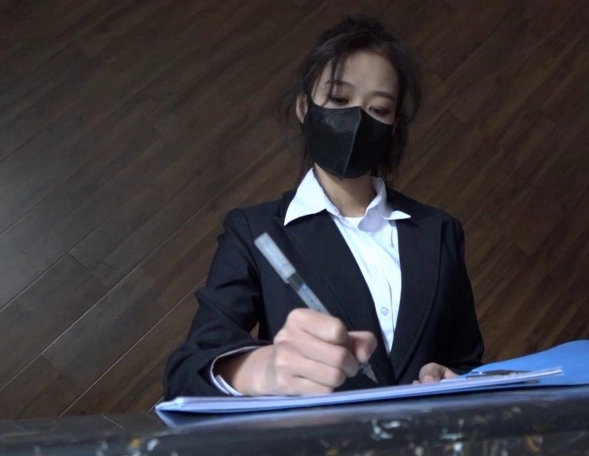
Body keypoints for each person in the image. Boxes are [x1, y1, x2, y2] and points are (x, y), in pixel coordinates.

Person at [163, 15, 484, 399]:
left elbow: (467, 361)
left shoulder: (440, 230)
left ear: (394, 127)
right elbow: (187, 372)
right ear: (304, 107)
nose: (357, 120)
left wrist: (452, 378)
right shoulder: (255, 231)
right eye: (338, 99)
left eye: (379, 109)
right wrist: (262, 370)